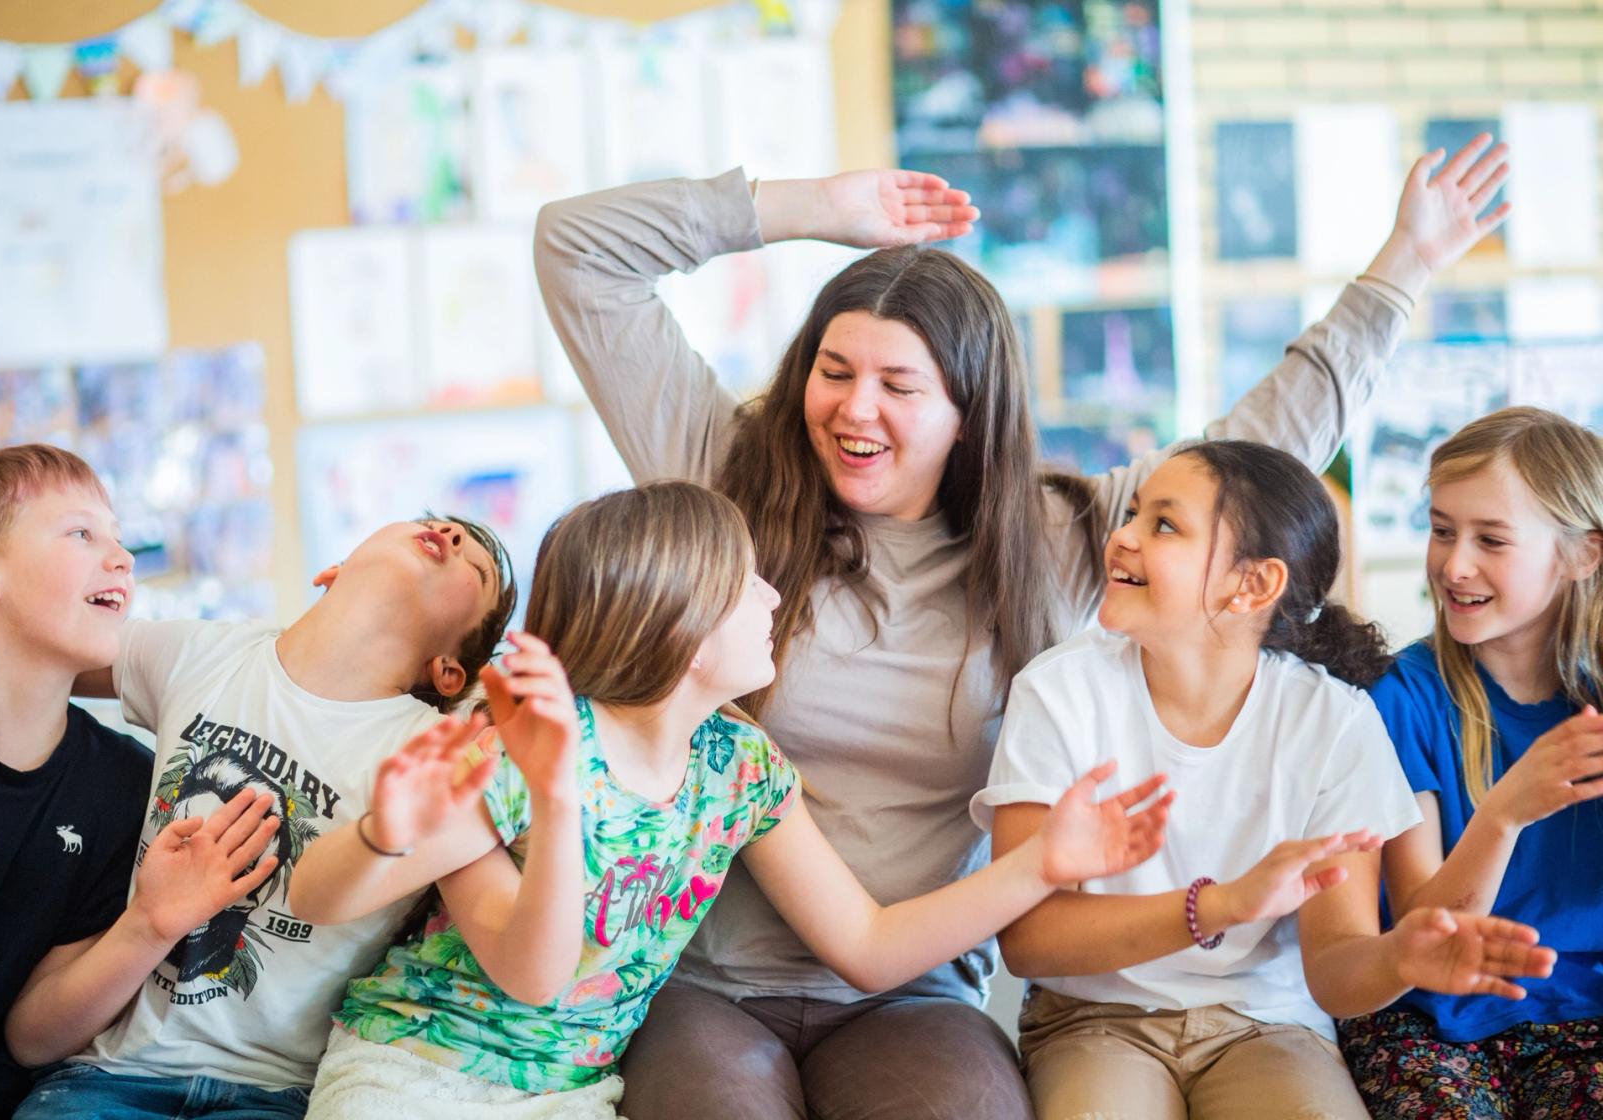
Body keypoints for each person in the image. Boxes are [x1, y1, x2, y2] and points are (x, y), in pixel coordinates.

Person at [534, 136, 1511, 1116]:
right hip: (709, 979)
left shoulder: (1059, 534)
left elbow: (1262, 452)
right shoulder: (726, 471)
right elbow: (576, 249)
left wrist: (1407, 263)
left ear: (969, 410)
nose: (851, 408)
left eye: (899, 385)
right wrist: (811, 209)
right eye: (833, 371)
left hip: (909, 987)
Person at [288, 481, 1172, 1119]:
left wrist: (1043, 863)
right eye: (747, 581)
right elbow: (320, 901)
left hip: (570, 1095)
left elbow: (867, 945)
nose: (774, 596)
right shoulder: (531, 743)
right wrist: (383, 834)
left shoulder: (736, 767)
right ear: (682, 623)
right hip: (414, 1075)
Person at [978, 440, 1552, 1120]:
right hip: (1092, 1021)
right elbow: (1029, 938)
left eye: (1163, 524)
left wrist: (1398, 959)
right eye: (1132, 513)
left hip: (1272, 1026)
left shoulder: (1335, 721)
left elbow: (1336, 969)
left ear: (1253, 585)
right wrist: (1219, 905)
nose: (1122, 538)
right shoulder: (1058, 691)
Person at [0, 509, 522, 1120]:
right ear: (331, 572)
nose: (450, 537)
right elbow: (21, 640)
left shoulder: (436, 751)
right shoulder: (205, 651)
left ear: (450, 671)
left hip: (274, 1091)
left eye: (474, 568)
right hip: (107, 1074)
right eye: (433, 524)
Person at [0, 445, 279, 1120]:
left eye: (118, 538)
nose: (122, 558)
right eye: (82, 533)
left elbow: (33, 1039)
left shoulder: (125, 784)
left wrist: (149, 923)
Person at [1339, 407, 1603, 1118]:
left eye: (1491, 539)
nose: (1454, 565)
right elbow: (1423, 926)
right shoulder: (1402, 698)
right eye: (1441, 529)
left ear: (1583, 555)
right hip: (1427, 1022)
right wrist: (1507, 811)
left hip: (1583, 1014)